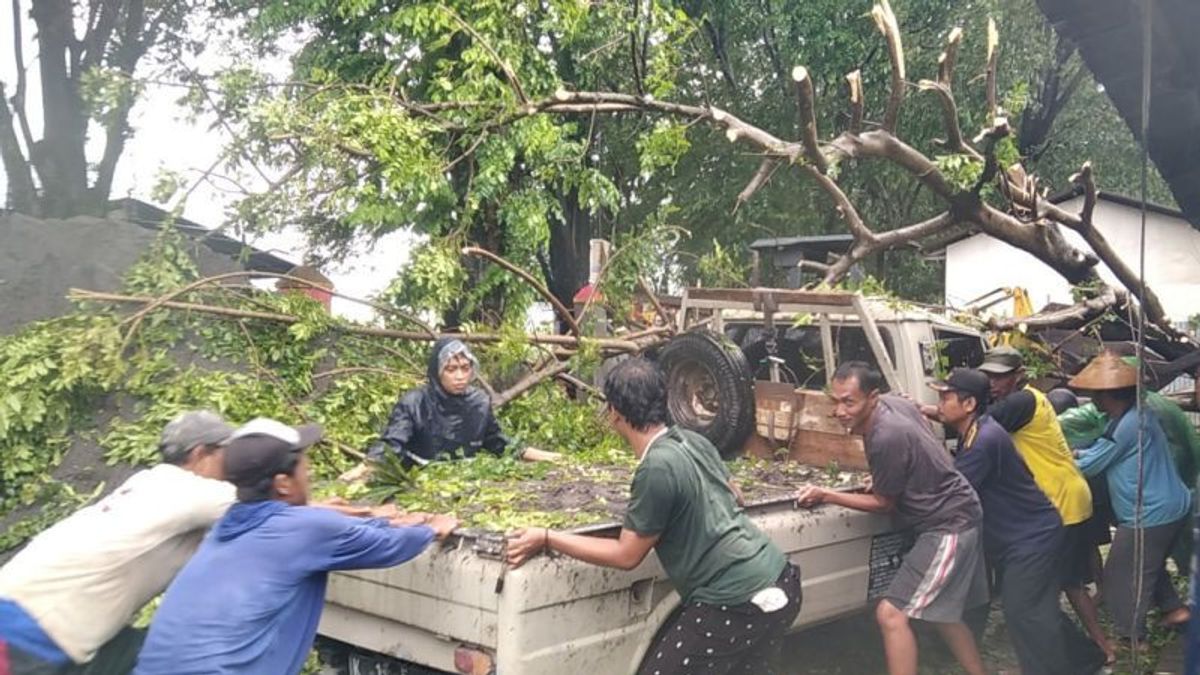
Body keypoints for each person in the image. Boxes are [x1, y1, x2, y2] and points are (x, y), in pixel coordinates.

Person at [506, 358, 801, 675]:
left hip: (735, 599)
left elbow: (626, 554)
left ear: (614, 413)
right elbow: (735, 494)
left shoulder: (656, 467)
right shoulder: (693, 440)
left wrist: (548, 537)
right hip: (780, 577)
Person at [134, 418, 458, 675]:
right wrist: (431, 527)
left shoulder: (226, 527)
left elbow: (320, 530)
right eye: (304, 464)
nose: (311, 472)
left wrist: (379, 520)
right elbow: (389, 545)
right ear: (283, 483)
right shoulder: (303, 529)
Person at [0, 411, 236, 675]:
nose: (233, 466)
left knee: (156, 651)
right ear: (200, 454)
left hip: (21, 604)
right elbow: (262, 505)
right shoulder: (189, 491)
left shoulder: (149, 483)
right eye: (227, 454)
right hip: (27, 632)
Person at [796, 362, 987, 675]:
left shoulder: (886, 435)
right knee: (941, 612)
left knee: (891, 614)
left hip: (948, 524)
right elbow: (917, 440)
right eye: (836, 401)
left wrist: (826, 494)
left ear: (872, 398)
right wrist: (891, 477)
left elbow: (884, 503)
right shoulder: (893, 404)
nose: (840, 411)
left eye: (849, 402)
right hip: (958, 510)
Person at [930, 370, 1104, 675]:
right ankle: (1084, 659)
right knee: (1034, 608)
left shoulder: (983, 440)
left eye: (945, 398)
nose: (939, 404)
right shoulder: (977, 431)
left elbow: (952, 493)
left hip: (1031, 539)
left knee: (1023, 610)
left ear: (969, 403)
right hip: (1028, 535)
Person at [975, 346, 1110, 661]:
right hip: (1068, 495)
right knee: (1068, 583)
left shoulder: (1021, 402)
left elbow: (975, 420)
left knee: (1041, 593)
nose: (993, 383)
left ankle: (1089, 653)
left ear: (1018, 376)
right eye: (988, 376)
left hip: (1060, 501)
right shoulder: (1033, 398)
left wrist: (930, 411)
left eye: (1000, 376)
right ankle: (1099, 650)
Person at [1070, 352, 1192, 642]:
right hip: (1170, 505)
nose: (1092, 399)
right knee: (1148, 563)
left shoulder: (1126, 425)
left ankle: (1131, 637)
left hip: (1152, 513)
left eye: (1095, 394)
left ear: (1107, 395)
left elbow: (1092, 465)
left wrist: (1058, 461)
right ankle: (1175, 610)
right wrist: (1081, 453)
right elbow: (1107, 450)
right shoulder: (1139, 414)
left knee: (1120, 575)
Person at [351, 338, 557, 476]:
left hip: (465, 477)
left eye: (465, 368)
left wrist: (550, 458)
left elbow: (499, 443)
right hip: (419, 478)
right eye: (451, 369)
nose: (459, 376)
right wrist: (360, 471)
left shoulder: (479, 402)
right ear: (437, 372)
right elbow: (391, 445)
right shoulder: (415, 402)